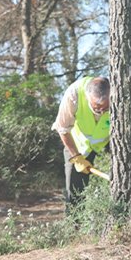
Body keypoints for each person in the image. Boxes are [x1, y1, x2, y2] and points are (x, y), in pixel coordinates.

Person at [51, 76, 110, 212]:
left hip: (109, 138)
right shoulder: (74, 94)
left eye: (106, 108)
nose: (102, 112)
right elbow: (62, 128)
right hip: (78, 144)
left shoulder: (119, 92)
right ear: (87, 98)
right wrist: (77, 158)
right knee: (75, 192)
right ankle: (74, 222)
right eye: (97, 108)